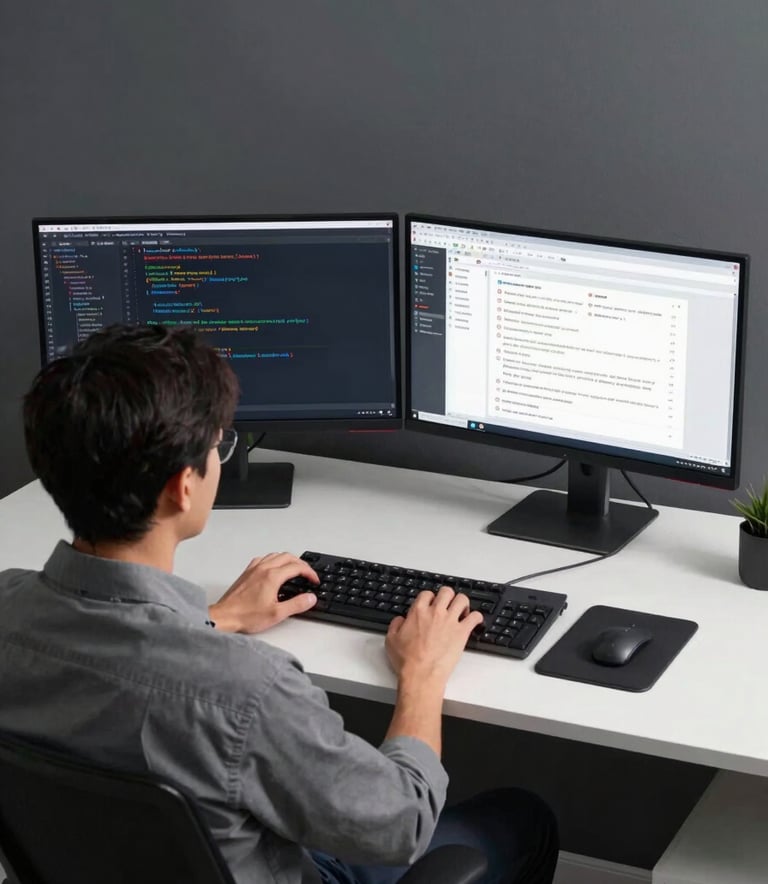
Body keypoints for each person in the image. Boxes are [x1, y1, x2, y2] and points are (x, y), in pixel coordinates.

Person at [0, 323, 558, 884]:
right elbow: (402, 824)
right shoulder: (246, 690)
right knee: (521, 820)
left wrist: (217, 619)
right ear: (182, 487)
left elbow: (123, 675)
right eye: (218, 444)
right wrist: (423, 675)